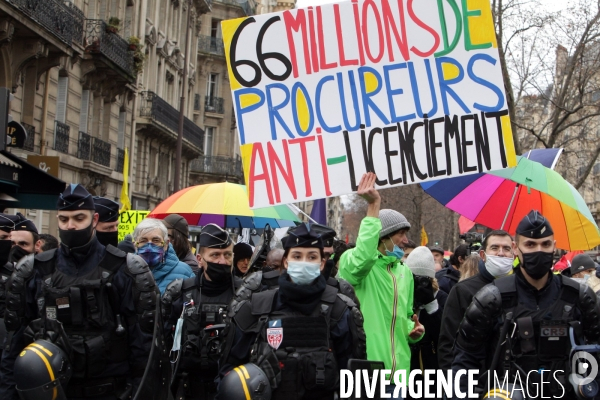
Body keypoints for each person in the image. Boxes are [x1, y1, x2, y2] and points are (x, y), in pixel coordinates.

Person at [0, 184, 160, 399]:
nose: (71, 226)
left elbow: (145, 350)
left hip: (110, 390)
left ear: (94, 220)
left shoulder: (127, 269)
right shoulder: (32, 270)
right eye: (64, 219)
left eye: (79, 218)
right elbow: (13, 348)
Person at [451, 211, 600, 398]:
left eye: (545, 244)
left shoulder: (580, 297)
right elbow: (464, 362)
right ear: (516, 248)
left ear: (554, 247)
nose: (538, 250)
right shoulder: (491, 299)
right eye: (530, 244)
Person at [218, 223, 366, 400]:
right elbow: (229, 375)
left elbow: (355, 382)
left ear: (322, 263)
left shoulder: (340, 311)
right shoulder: (256, 309)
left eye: (312, 257)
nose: (304, 262)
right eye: (297, 256)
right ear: (286, 262)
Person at [337, 173, 424, 397]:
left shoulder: (405, 272)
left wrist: (413, 331)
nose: (406, 240)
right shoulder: (354, 263)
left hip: (401, 377)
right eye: (401, 234)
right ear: (382, 237)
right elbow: (363, 258)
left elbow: (404, 318)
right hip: (366, 374)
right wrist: (373, 206)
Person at [161, 224, 242, 400]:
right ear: (200, 259)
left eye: (227, 255)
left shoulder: (246, 294)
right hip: (188, 387)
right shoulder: (180, 293)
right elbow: (164, 344)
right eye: (215, 255)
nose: (222, 261)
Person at [437, 230, 514, 370]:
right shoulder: (463, 290)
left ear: (513, 253)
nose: (501, 253)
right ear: (483, 255)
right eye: (495, 248)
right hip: (473, 380)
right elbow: (448, 343)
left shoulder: (520, 289)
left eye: (506, 248)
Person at [405, 246, 447, 400]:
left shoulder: (441, 298)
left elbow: (444, 334)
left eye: (424, 279)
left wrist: (431, 304)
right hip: (407, 366)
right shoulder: (402, 295)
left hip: (431, 370)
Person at [133, 218, 194, 294]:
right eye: (143, 241)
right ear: (135, 244)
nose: (149, 247)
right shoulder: (125, 272)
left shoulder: (185, 272)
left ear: (166, 244)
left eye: (156, 240)